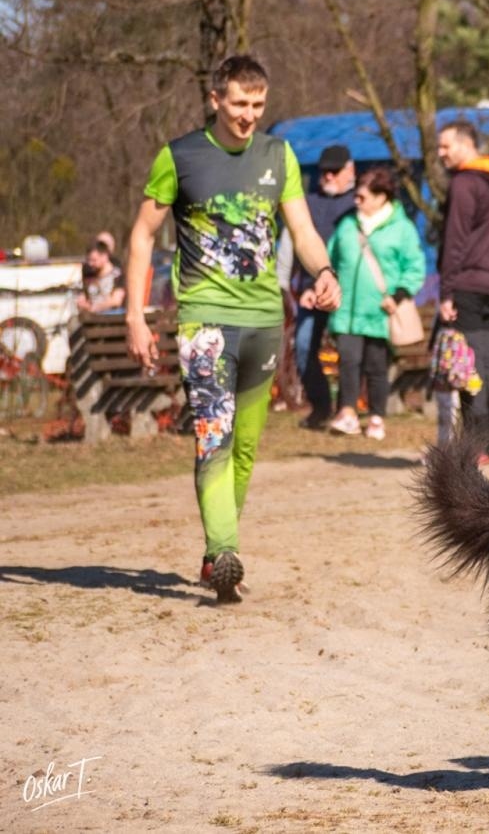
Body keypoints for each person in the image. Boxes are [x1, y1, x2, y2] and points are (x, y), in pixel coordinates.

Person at [125, 55, 341, 604]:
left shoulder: (278, 154)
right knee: (213, 438)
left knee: (244, 448)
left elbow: (303, 228)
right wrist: (134, 314)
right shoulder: (180, 156)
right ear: (216, 99)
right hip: (205, 319)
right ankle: (224, 550)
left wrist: (324, 271)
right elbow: (142, 236)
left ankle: (216, 555)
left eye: (258, 105)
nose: (249, 115)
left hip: (265, 319)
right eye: (240, 104)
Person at [435, 121, 489, 464]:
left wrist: (447, 290)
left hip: (466, 283)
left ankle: (475, 445)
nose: (440, 154)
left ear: (466, 145)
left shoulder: (466, 183)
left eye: (445, 146)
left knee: (469, 368)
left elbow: (456, 239)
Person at [325, 166, 425, 440]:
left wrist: (399, 295)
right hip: (346, 310)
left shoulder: (402, 228)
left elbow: (414, 268)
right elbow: (328, 257)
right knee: (348, 361)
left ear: (382, 197)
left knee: (375, 366)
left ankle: (377, 417)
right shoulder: (347, 223)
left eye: (362, 197)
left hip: (381, 311)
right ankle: (347, 414)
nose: (356, 201)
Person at [286, 145, 357, 428]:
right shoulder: (308, 203)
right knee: (303, 347)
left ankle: (348, 410)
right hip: (311, 293)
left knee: (350, 354)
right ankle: (321, 406)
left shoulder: (358, 203)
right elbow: (299, 246)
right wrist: (302, 287)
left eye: (335, 171)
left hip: (349, 294)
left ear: (350, 170)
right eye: (323, 170)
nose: (327, 176)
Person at [77, 241, 126, 313]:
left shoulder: (118, 275)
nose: (90, 264)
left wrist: (94, 308)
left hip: (112, 317)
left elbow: (116, 301)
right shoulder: (88, 275)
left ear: (104, 256)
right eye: (89, 260)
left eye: (94, 260)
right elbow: (84, 296)